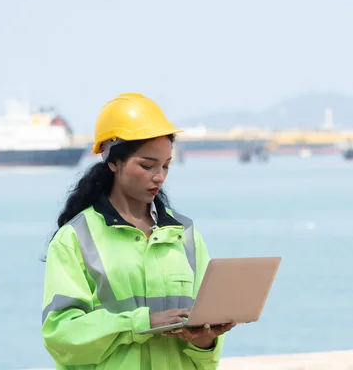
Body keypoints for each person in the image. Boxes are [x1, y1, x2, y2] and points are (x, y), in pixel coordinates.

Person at [41, 92, 235, 370]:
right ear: (113, 161)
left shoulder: (185, 234)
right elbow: (60, 337)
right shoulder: (75, 238)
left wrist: (205, 341)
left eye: (166, 165)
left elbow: (207, 355)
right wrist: (141, 323)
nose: (159, 176)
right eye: (147, 165)